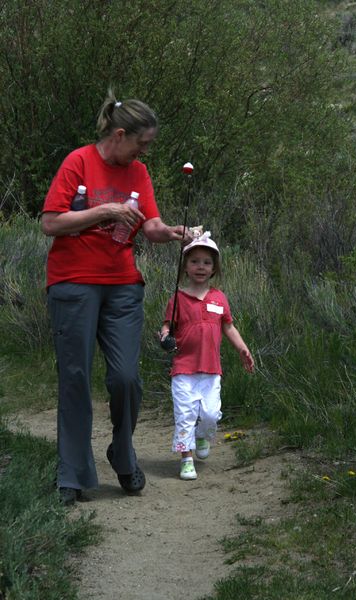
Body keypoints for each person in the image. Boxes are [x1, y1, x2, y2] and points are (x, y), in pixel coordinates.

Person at [41, 89, 191, 505]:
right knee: (75, 377)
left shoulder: (138, 172)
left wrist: (173, 233)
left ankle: (122, 454)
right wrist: (106, 212)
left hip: (123, 284)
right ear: (120, 134)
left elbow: (152, 226)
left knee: (126, 377)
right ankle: (72, 473)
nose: (145, 151)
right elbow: (52, 223)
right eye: (142, 143)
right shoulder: (79, 162)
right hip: (72, 282)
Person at [159, 232, 255, 481]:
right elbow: (166, 327)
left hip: (211, 370)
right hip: (183, 369)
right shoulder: (177, 299)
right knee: (185, 415)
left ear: (214, 268)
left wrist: (243, 349)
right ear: (185, 267)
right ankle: (186, 459)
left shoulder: (219, 298)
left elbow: (229, 327)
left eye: (206, 262)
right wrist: (164, 337)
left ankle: (202, 435)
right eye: (194, 261)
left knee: (211, 414)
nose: (200, 267)